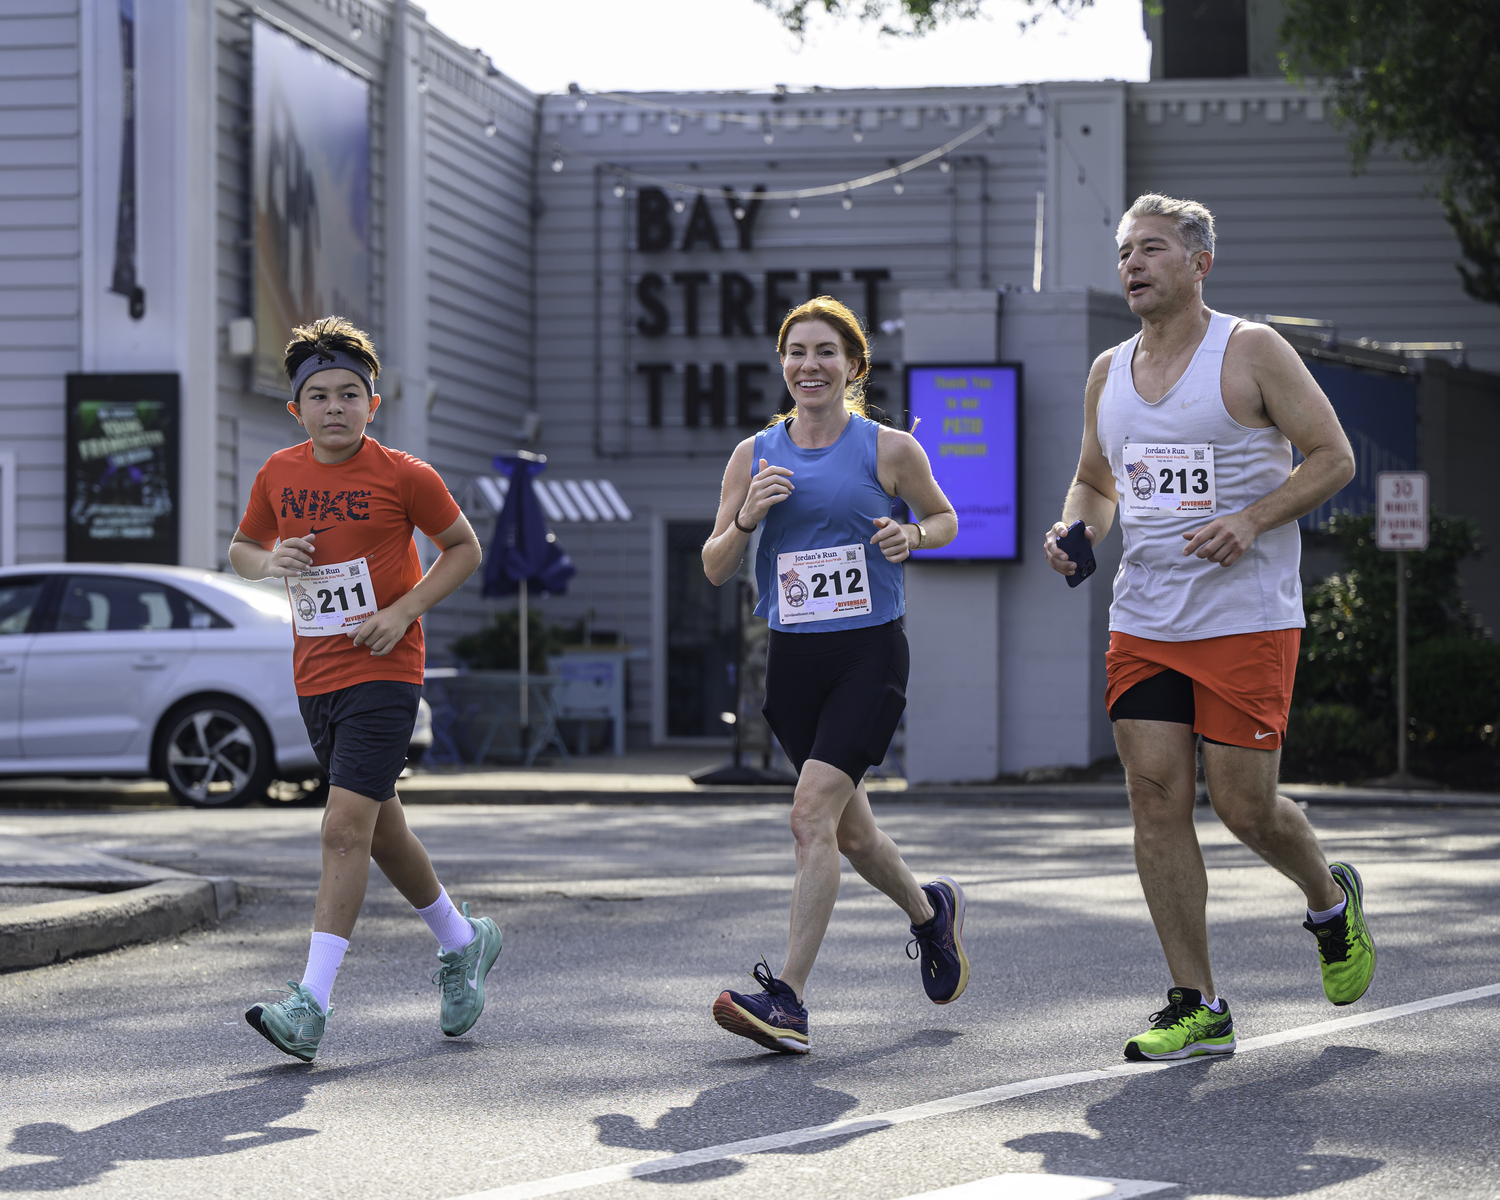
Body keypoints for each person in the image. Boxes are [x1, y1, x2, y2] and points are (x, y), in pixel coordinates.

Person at [1044, 195, 1375, 1062]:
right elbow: (1096, 481)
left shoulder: (1251, 350)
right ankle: (1196, 1002)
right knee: (1154, 801)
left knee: (1244, 806)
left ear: (1199, 262)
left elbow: (1334, 457)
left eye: (1152, 249)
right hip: (1146, 616)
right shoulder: (1106, 371)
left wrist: (1252, 519)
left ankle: (1329, 900)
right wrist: (1076, 528)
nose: (1133, 265)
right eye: (1124, 252)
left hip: (1244, 616)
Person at [701, 296, 967, 1055]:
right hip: (793, 663)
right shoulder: (753, 455)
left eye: (825, 353)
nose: (809, 366)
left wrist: (911, 534)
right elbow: (717, 568)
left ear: (853, 367)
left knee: (809, 815)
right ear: (782, 365)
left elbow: (946, 518)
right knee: (853, 834)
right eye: (796, 353)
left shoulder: (888, 450)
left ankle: (786, 1000)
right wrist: (746, 516)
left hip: (868, 653)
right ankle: (931, 914)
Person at [230, 317, 498, 1062]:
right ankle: (462, 939)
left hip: (385, 669)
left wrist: (402, 612)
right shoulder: (278, 474)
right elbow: (241, 548)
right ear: (297, 409)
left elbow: (463, 548)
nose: (336, 408)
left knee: (342, 828)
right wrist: (268, 560)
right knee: (381, 831)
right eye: (319, 396)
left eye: (351, 394)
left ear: (373, 404)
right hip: (316, 676)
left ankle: (310, 1004)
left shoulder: (404, 474)